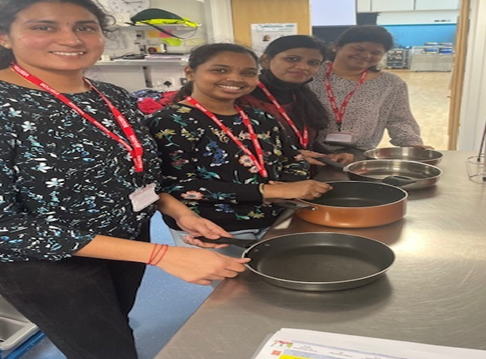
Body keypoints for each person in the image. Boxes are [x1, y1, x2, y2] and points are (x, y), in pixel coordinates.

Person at [0, 0, 250, 359]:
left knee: (109, 339)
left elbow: (138, 172)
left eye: (85, 27)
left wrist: (177, 211)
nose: (71, 39)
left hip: (124, 243)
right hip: (47, 264)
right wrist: (163, 254)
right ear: (2, 35)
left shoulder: (109, 94)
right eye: (44, 27)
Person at [146, 43, 332, 251]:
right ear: (190, 73)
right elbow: (176, 185)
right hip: (214, 228)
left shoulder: (260, 117)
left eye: (248, 73)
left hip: (278, 217)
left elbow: (293, 157)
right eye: (220, 70)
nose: (235, 78)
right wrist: (266, 191)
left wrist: (289, 184)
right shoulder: (168, 122)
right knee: (237, 282)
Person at [309, 25, 430, 157]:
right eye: (359, 49)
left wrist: (412, 143)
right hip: (308, 153)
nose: (366, 56)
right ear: (338, 46)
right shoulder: (311, 74)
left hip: (358, 156)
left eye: (376, 53)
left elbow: (399, 119)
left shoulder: (390, 84)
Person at [237, 35, 354, 166]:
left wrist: (329, 156)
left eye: (313, 63)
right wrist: (292, 154)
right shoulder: (243, 97)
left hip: (305, 174)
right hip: (268, 181)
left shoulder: (301, 95)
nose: (303, 67)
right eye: (292, 59)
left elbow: (304, 141)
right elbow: (234, 148)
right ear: (265, 60)